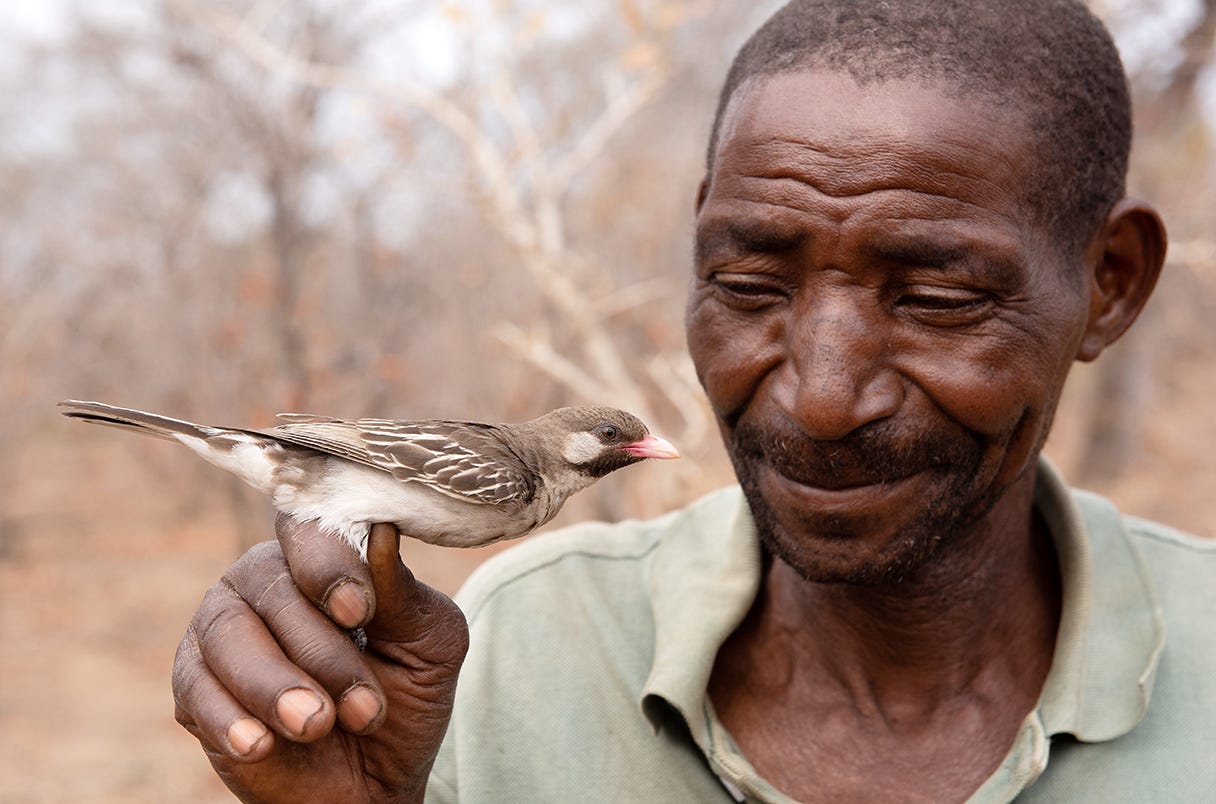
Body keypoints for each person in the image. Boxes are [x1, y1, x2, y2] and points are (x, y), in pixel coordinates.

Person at [170, 0, 1215, 801]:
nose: (819, 398)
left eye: (938, 298)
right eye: (749, 285)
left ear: (1110, 281)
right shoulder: (502, 652)